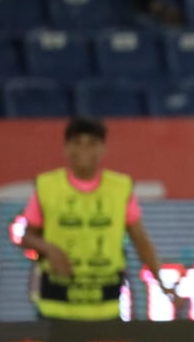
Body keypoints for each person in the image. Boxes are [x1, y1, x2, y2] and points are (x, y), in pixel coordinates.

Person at [17, 117, 174, 321]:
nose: (84, 150)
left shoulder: (119, 189)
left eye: (91, 143)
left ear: (102, 149)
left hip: (105, 307)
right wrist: (50, 249)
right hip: (56, 307)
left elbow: (140, 241)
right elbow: (27, 237)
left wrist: (162, 285)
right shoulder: (47, 187)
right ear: (66, 148)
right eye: (77, 143)